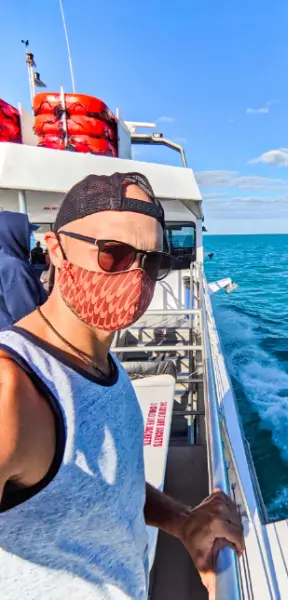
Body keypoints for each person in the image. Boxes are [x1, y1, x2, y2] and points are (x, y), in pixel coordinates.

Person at [0, 172, 243, 599]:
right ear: (56, 249)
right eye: (113, 253)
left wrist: (182, 521)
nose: (136, 275)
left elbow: (104, 487)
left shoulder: (103, 366)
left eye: (152, 262)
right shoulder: (12, 388)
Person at [0, 211, 47, 328]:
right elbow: (26, 314)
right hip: (23, 334)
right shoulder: (14, 265)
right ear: (12, 233)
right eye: (29, 233)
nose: (31, 236)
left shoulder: (5, 260)